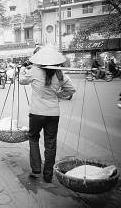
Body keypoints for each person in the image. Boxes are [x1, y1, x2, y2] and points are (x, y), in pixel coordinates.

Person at [19, 46, 76, 183]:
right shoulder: (60, 74)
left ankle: (36, 170)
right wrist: (58, 95)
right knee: (50, 143)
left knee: (33, 139)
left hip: (36, 113)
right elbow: (71, 90)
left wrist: (22, 70)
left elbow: (21, 81)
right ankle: (48, 175)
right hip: (53, 113)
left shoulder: (34, 71)